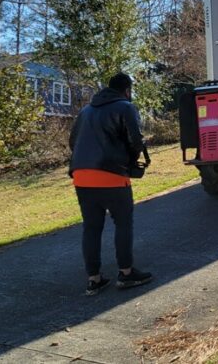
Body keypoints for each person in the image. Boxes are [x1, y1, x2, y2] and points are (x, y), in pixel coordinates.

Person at [69, 72, 153, 296]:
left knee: (91, 227)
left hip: (81, 176)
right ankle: (126, 273)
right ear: (127, 90)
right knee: (123, 223)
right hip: (112, 175)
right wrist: (131, 160)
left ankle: (94, 279)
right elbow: (135, 141)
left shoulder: (85, 111)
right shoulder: (125, 107)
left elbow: (72, 142)